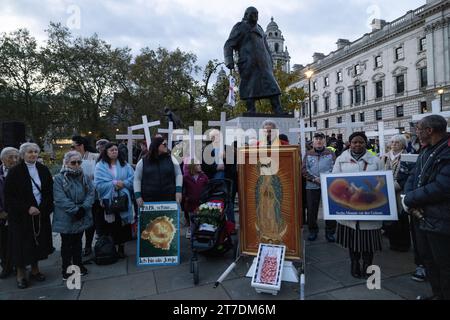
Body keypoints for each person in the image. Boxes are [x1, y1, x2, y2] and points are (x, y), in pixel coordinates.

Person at [403, 115, 450, 300]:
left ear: (429, 131)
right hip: (421, 217)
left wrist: (410, 199)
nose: (416, 132)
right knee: (429, 261)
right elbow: (413, 176)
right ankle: (437, 294)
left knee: (444, 265)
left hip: (441, 219)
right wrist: (406, 198)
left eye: (419, 129)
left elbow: (442, 187)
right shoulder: (426, 150)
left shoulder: (446, 151)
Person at [332, 132, 383, 279]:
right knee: (352, 239)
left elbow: (383, 180)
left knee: (368, 240)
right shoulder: (341, 159)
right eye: (354, 142)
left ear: (365, 143)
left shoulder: (375, 160)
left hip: (370, 207)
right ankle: (354, 263)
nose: (357, 145)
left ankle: (367, 264)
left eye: (361, 142)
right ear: (350, 143)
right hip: (349, 207)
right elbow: (335, 180)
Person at [4, 143, 54, 289]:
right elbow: (9, 196)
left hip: (39, 214)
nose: (33, 154)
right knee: (21, 245)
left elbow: (49, 192)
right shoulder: (15, 171)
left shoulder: (43, 169)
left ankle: (35, 270)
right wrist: (27, 208)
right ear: (23, 154)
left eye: (35, 152)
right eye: (29, 152)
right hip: (21, 217)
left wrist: (42, 208)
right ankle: (20, 274)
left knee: (36, 243)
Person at [224, 7, 283, 115]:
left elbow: (266, 47)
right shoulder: (240, 27)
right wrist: (229, 60)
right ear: (246, 15)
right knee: (250, 87)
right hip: (248, 63)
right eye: (253, 14)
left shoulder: (260, 28)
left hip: (264, 64)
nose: (256, 16)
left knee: (273, 87)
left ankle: (278, 109)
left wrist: (270, 61)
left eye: (257, 14)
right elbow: (229, 44)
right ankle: (251, 110)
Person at [53, 151, 94, 280]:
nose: (76, 165)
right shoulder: (59, 178)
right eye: (73, 162)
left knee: (77, 242)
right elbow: (60, 198)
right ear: (66, 163)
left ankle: (78, 265)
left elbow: (91, 192)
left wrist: (84, 208)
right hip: (66, 215)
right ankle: (66, 269)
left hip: (82, 212)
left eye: (79, 162)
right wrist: (75, 210)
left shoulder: (84, 176)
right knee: (66, 244)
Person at [94, 143, 135, 259]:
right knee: (112, 225)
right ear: (106, 152)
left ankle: (122, 248)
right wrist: (113, 184)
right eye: (111, 150)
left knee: (123, 225)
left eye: (116, 150)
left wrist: (123, 184)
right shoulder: (100, 166)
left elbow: (132, 178)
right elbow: (98, 184)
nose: (114, 152)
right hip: (109, 200)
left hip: (123, 199)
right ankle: (112, 248)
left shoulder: (125, 165)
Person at [302, 132, 336, 242]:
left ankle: (330, 232)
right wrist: (314, 178)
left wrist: (326, 178)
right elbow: (303, 169)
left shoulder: (330, 153)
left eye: (321, 139)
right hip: (312, 185)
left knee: (330, 209)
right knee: (312, 210)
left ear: (324, 141)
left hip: (328, 185)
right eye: (316, 139)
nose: (318, 141)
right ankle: (313, 231)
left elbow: (335, 167)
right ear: (313, 142)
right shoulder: (308, 154)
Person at [381, 135, 411, 252]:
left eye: (397, 142)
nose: (394, 144)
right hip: (385, 189)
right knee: (390, 217)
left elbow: (408, 176)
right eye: (392, 142)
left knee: (401, 217)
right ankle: (393, 242)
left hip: (400, 190)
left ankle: (403, 244)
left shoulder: (407, 157)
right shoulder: (384, 157)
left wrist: (395, 186)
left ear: (403, 144)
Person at [134, 136, 183, 206]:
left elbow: (178, 174)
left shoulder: (172, 159)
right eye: (164, 144)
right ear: (156, 145)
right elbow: (137, 179)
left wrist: (178, 191)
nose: (166, 146)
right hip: (149, 200)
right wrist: (137, 195)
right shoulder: (143, 162)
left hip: (169, 199)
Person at [71, 136, 99, 257]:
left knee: (91, 220)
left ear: (81, 145)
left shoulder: (95, 156)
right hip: (77, 194)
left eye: (73, 146)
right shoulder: (71, 158)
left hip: (92, 193)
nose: (72, 148)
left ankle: (88, 245)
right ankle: (77, 245)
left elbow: (100, 172)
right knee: (79, 219)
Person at [0, 147, 19, 279]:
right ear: (2, 159)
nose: (13, 160)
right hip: (1, 215)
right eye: (10, 157)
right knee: (2, 242)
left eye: (16, 157)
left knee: (18, 242)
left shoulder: (21, 172)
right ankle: (6, 267)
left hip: (18, 213)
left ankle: (19, 266)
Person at [183, 163, 209, 239]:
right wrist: (186, 198)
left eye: (199, 164)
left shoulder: (204, 176)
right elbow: (183, 190)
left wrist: (206, 197)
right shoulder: (185, 177)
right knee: (193, 223)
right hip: (191, 205)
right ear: (192, 167)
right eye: (197, 165)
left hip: (202, 204)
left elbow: (209, 187)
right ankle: (193, 239)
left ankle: (202, 238)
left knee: (202, 221)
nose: (199, 166)